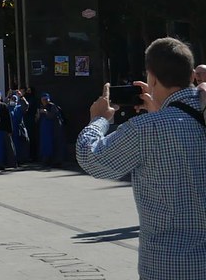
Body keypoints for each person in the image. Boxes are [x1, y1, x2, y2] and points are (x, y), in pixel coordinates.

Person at [77, 38, 206, 280]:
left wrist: (99, 119)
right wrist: (160, 109)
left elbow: (92, 158)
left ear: (152, 78)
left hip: (170, 265)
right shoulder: (200, 115)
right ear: (191, 74)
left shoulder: (145, 129)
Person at [36, 93, 65, 167]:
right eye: (43, 100)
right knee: (46, 145)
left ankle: (57, 161)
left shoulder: (53, 106)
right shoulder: (41, 107)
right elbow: (37, 119)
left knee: (56, 144)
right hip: (45, 130)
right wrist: (38, 115)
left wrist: (46, 112)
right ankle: (47, 160)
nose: (44, 101)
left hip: (54, 128)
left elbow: (53, 116)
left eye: (45, 99)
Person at [8, 91, 30, 165]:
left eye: (15, 99)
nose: (13, 100)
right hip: (11, 129)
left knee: (20, 145)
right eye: (12, 99)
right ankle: (13, 160)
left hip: (19, 129)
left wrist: (21, 97)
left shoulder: (19, 108)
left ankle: (21, 159)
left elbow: (26, 105)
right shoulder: (7, 107)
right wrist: (8, 96)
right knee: (12, 145)